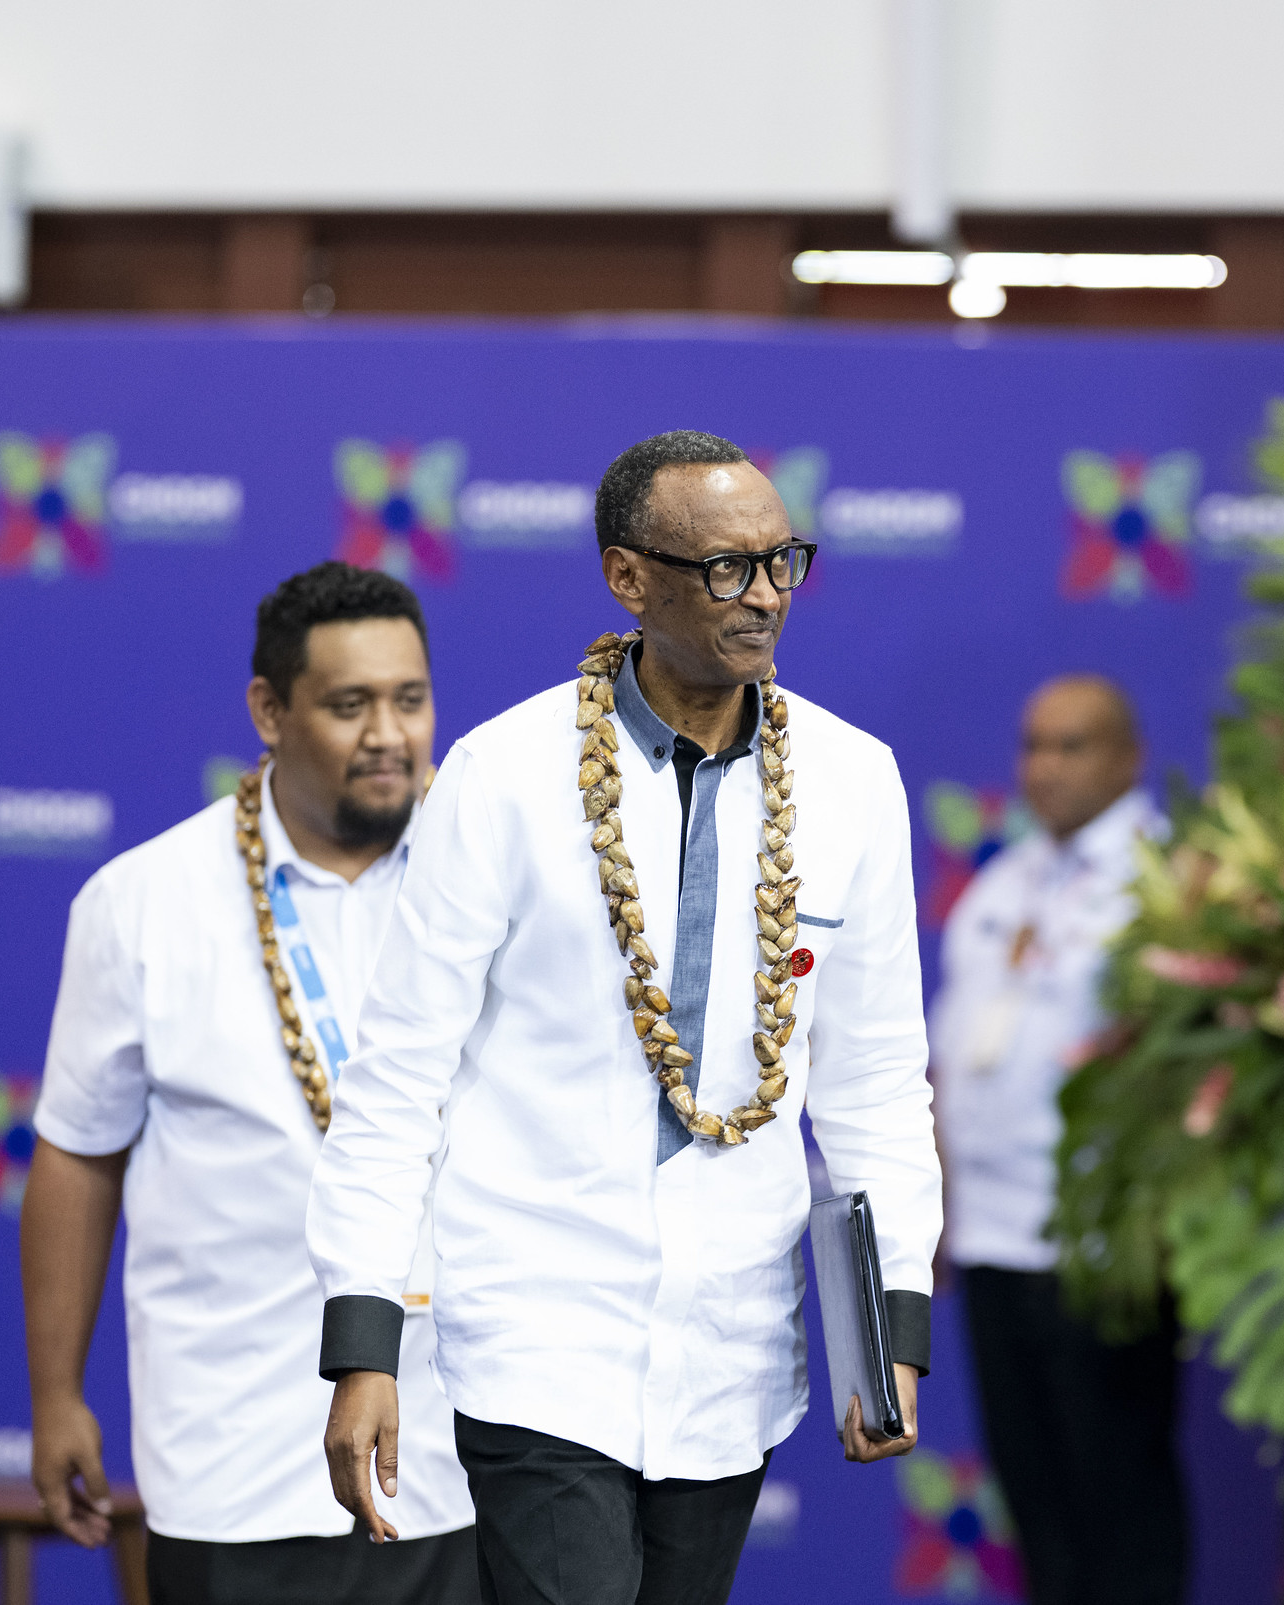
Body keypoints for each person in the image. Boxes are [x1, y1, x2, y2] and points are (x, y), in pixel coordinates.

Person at [305, 430, 940, 1605]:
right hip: (536, 1335)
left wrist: (888, 1320)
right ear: (627, 578)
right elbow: (398, 1081)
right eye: (724, 570)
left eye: (780, 562)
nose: (762, 598)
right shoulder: (500, 776)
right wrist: (363, 1343)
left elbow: (875, 1083)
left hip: (735, 1345)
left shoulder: (856, 782)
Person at [21, 562, 477, 1605]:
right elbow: (76, 1157)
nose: (387, 735)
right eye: (349, 704)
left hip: (467, 1448)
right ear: (268, 712)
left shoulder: (490, 882)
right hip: (237, 1458)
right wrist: (56, 1396)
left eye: (409, 701)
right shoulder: (141, 902)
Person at [930, 676, 1188, 1605]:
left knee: (1121, 1505)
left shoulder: (1170, 886)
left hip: (1099, 1248)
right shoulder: (1004, 883)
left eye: (1072, 745)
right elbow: (948, 1053)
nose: (1044, 766)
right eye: (1033, 745)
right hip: (992, 1241)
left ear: (1129, 757)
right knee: (1039, 1511)